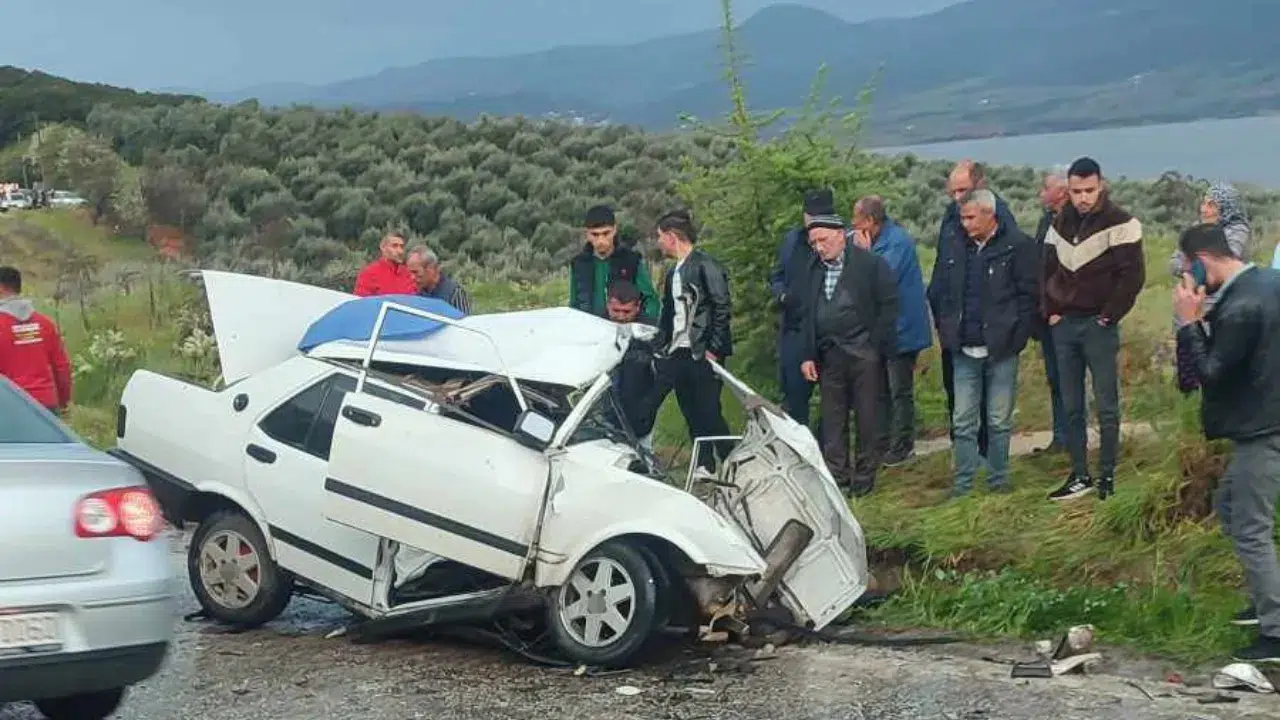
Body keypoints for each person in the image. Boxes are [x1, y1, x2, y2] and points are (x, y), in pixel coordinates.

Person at [1173, 223, 1280, 663]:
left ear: (1201, 260)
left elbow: (1209, 373)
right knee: (1232, 505)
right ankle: (1267, 595)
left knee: (1252, 527)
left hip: (1262, 428)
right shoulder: (1269, 282)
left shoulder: (1238, 308)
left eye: (1187, 268)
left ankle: (1275, 632)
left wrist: (1189, 323)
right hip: (1266, 416)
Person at [1042, 157, 1145, 502]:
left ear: (1100, 185)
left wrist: (1109, 316)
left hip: (1099, 325)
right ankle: (1080, 475)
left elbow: (1132, 277)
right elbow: (1044, 270)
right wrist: (1052, 311)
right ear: (1067, 190)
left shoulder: (1122, 223)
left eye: (1089, 190)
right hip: (1065, 325)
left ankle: (1108, 475)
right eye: (1076, 191)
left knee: (1106, 404)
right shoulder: (1059, 223)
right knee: (1071, 404)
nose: (1083, 197)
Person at [929, 190, 1038, 496]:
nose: (964, 224)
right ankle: (964, 486)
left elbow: (1029, 296)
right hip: (963, 348)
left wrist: (1017, 339)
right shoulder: (954, 247)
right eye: (962, 217)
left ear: (991, 214)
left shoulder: (1018, 246)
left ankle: (998, 482)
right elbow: (938, 291)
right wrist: (946, 331)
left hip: (1002, 349)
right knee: (963, 421)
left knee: (998, 420)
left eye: (970, 217)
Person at [798, 212, 898, 497]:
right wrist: (808, 355)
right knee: (832, 418)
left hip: (864, 353)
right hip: (829, 354)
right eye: (814, 242)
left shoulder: (870, 265)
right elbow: (806, 315)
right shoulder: (812, 269)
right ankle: (838, 477)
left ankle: (865, 477)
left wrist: (875, 345)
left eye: (823, 240)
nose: (819, 247)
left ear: (841, 235)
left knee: (867, 417)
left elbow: (889, 305)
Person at [931, 160, 1021, 459]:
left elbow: (1019, 285)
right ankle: (965, 459)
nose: (957, 198)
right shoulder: (950, 219)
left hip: (991, 330)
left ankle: (991, 461)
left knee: (991, 404)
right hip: (956, 327)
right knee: (957, 396)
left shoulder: (1002, 222)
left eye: (963, 190)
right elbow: (942, 271)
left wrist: (1013, 332)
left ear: (980, 186)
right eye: (952, 192)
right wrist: (943, 320)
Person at [646, 209, 734, 474]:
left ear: (672, 237)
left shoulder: (706, 265)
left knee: (709, 409)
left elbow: (721, 306)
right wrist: (660, 345)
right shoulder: (674, 272)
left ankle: (731, 459)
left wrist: (714, 347)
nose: (659, 242)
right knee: (690, 409)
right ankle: (705, 463)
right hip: (679, 351)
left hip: (703, 350)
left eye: (660, 236)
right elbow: (670, 313)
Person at [851, 195, 931, 466]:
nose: (853, 225)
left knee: (900, 390)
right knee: (881, 389)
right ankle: (882, 443)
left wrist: (862, 254)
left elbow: (881, 278)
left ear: (870, 221)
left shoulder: (896, 241)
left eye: (857, 220)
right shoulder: (880, 240)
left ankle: (903, 445)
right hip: (885, 329)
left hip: (903, 329)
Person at [769, 188, 829, 425]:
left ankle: (829, 455)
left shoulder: (838, 242)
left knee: (832, 402)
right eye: (811, 215)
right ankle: (799, 452)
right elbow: (777, 275)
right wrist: (782, 295)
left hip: (825, 331)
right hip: (794, 329)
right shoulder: (792, 240)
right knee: (794, 399)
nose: (813, 221)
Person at [1169, 182, 1253, 329]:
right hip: (1192, 305)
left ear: (1225, 208)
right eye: (1204, 203)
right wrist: (1191, 267)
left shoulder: (1237, 231)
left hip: (1222, 307)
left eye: (1211, 205)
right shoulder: (1197, 228)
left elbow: (1222, 261)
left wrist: (1190, 269)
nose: (1204, 210)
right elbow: (1174, 263)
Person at [1033, 168, 1071, 454]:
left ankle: (1074, 437)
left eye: (1045, 187)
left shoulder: (1075, 222)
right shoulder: (1046, 221)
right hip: (1046, 313)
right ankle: (1060, 437)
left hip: (1068, 314)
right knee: (1055, 377)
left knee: (1070, 377)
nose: (1041, 193)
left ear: (1061, 191)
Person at [0, 266, 73, 414]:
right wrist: (64, 400)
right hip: (45, 406)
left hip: (9, 406)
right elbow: (62, 367)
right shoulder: (45, 323)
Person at [569, 204, 659, 322]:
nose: (601, 240)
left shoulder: (631, 260)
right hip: (589, 330)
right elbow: (574, 304)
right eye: (595, 234)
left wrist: (641, 326)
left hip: (625, 329)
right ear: (587, 233)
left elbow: (650, 300)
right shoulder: (578, 264)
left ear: (615, 230)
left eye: (606, 233)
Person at [605, 280, 658, 453]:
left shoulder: (651, 331)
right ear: (608, 304)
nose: (620, 317)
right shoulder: (596, 324)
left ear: (638, 307)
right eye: (616, 311)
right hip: (604, 405)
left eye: (626, 311)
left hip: (641, 403)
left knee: (643, 452)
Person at [407, 244, 473, 314]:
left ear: (430, 268)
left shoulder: (455, 293)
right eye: (411, 272)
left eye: (416, 272)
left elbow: (465, 323)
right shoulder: (419, 295)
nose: (412, 277)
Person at [353, 232, 418, 297]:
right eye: (394, 246)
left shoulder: (409, 274)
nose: (400, 251)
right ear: (383, 247)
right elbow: (361, 302)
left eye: (402, 247)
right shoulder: (369, 273)